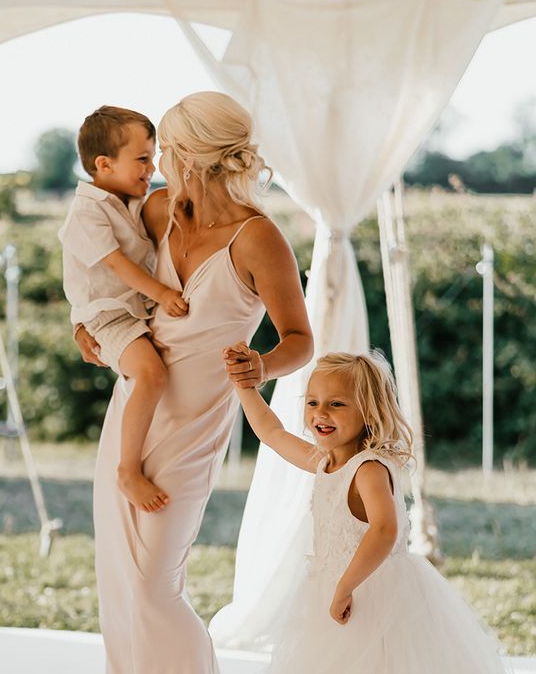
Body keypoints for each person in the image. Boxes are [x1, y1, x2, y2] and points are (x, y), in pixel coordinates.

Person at [75, 91, 313, 673]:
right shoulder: (158, 211)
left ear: (187, 154)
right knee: (120, 579)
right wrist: (86, 326)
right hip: (135, 403)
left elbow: (299, 340)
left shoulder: (259, 238)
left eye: (165, 153)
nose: (156, 166)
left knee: (156, 585)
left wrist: (263, 366)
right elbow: (100, 262)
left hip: (195, 422)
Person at [226, 345, 509, 674]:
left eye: (336, 404)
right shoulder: (325, 462)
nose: (321, 413)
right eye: (313, 402)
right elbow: (272, 433)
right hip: (332, 590)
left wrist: (346, 587)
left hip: (374, 594)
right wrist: (243, 385)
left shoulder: (368, 468)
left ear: (369, 413)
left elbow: (384, 529)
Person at [59, 106, 189, 512]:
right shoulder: (87, 211)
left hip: (131, 310)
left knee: (154, 377)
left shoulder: (130, 200)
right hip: (107, 316)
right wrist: (164, 293)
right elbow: (117, 265)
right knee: (151, 376)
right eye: (143, 159)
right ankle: (127, 470)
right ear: (104, 164)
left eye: (152, 158)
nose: (152, 168)